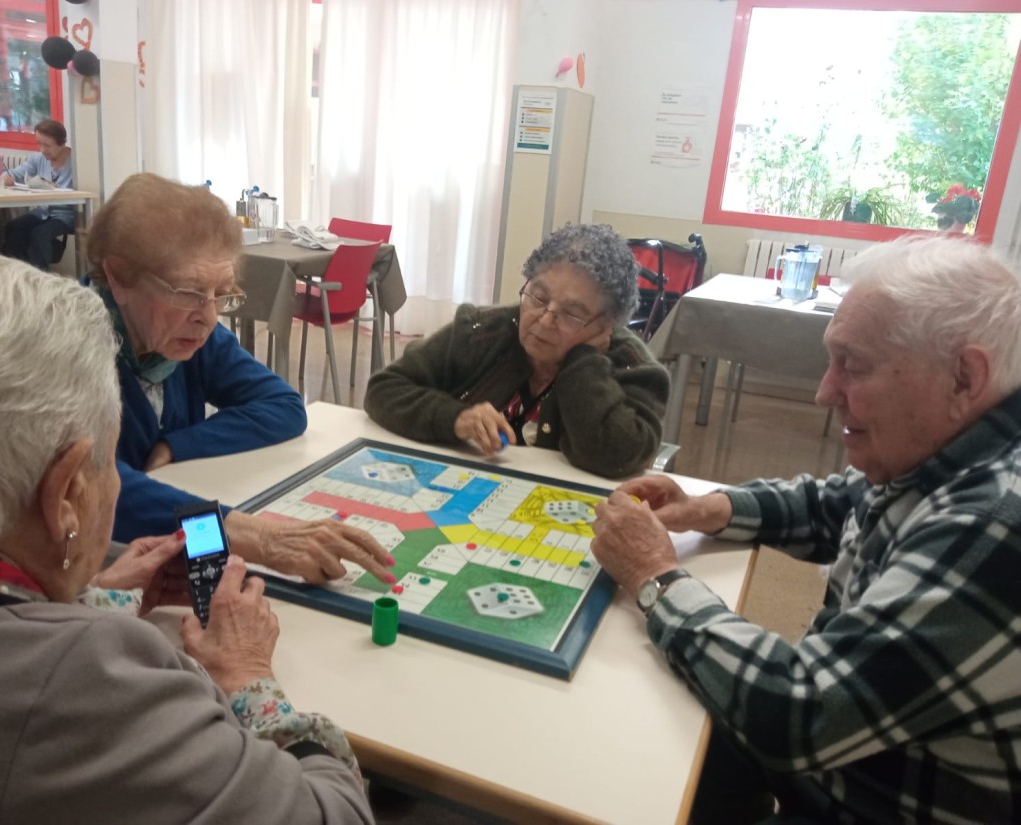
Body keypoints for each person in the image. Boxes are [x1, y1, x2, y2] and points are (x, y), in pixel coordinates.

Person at [0, 255, 375, 823]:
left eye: (220, 295)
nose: (206, 314)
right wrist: (246, 674)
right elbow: (335, 815)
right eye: (113, 464)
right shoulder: (82, 679)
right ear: (67, 495)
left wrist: (98, 594)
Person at [590, 235, 1021, 824]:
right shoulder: (946, 450)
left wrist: (654, 575)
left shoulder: (996, 523)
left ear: (965, 378)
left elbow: (800, 713)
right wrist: (706, 507)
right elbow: (834, 503)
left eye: (854, 366)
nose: (824, 392)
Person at [89, 172, 396, 586]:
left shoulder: (190, 337)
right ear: (118, 278)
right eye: (188, 292)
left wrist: (177, 444)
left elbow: (285, 407)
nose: (208, 316)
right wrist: (257, 537)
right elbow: (98, 488)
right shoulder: (69, 346)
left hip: (164, 556)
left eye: (222, 293)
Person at [364, 223, 670, 478]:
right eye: (538, 297)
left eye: (571, 314)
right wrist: (456, 418)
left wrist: (585, 361)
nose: (544, 320)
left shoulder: (634, 368)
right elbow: (384, 390)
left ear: (606, 325)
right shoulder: (482, 330)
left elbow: (615, 456)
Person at [1, 118, 75, 269]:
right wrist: (7, 177)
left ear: (62, 143)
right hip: (43, 211)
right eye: (39, 144)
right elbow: (14, 173)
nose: (42, 149)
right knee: (13, 227)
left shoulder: (77, 162)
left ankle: (40, 276)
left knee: (39, 234)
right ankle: (16, 272)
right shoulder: (38, 159)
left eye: (47, 145)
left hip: (66, 214)